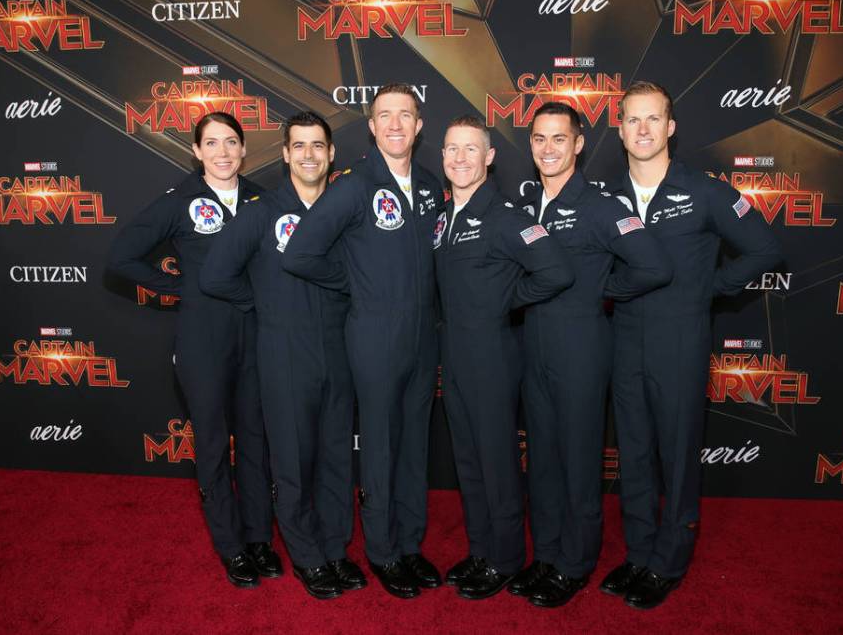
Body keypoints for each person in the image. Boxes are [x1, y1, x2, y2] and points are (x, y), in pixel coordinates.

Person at [601, 81, 781, 609]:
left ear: (670, 127)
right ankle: (638, 553)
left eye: (652, 119)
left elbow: (764, 249)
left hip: (679, 340)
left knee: (677, 455)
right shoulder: (607, 198)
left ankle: (669, 560)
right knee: (632, 454)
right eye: (632, 120)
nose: (642, 129)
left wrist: (710, 288)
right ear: (620, 129)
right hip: (623, 339)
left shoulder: (704, 191)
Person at [282, 84, 443, 599]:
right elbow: (300, 252)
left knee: (415, 444)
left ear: (419, 126)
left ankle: (410, 544)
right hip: (375, 336)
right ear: (371, 128)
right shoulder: (353, 186)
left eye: (405, 115)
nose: (395, 124)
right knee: (379, 446)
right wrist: (354, 281)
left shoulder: (432, 187)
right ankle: (382, 552)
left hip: (424, 337)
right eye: (384, 116)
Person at [107, 112, 280, 588]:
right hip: (204, 339)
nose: (223, 152)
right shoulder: (181, 200)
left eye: (231, 143)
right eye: (212, 143)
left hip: (255, 334)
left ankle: (259, 538)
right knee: (211, 445)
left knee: (255, 439)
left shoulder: (263, 200)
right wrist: (183, 288)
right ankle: (230, 545)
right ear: (196, 152)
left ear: (244, 151)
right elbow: (121, 256)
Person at [513, 102, 674, 609]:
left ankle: (575, 563)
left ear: (579, 144)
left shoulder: (601, 206)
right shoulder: (525, 206)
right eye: (539, 139)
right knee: (541, 460)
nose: (548, 148)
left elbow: (653, 267)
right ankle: (547, 554)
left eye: (559, 139)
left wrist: (604, 289)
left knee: (578, 461)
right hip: (532, 348)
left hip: (581, 349)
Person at [199, 112, 365, 600]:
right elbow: (215, 277)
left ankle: (335, 548)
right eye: (300, 146)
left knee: (337, 455)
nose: (310, 155)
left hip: (339, 347)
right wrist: (263, 304)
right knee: (292, 459)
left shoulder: (346, 211)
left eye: (319, 145)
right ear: (286, 154)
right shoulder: (260, 211)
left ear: (331, 154)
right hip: (284, 350)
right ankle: (308, 557)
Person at [435, 115, 573, 600]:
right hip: (453, 356)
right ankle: (480, 550)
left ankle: (507, 558)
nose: (460, 158)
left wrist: (506, 301)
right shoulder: (443, 217)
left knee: (496, 462)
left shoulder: (506, 217)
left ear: (489, 157)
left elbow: (556, 271)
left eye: (471, 149)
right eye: (452, 149)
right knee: (468, 461)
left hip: (493, 355)